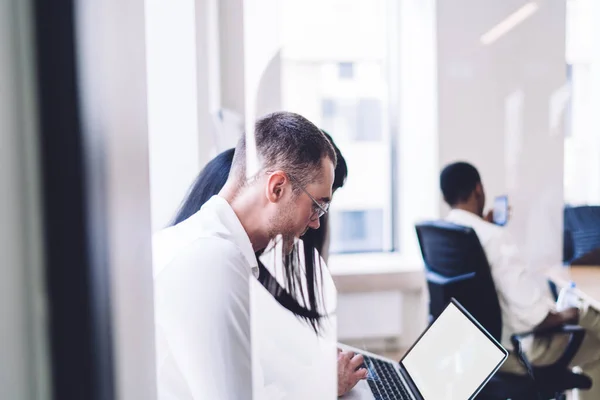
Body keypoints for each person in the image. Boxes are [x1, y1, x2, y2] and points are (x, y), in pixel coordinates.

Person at [153, 112, 363, 399]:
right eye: (317, 206)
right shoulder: (211, 261)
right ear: (277, 187)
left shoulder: (209, 246)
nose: (315, 222)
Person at [440, 161, 600, 399]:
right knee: (596, 343)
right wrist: (570, 313)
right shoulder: (493, 238)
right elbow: (535, 317)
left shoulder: (448, 234)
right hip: (519, 354)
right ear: (478, 189)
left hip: (478, 350)